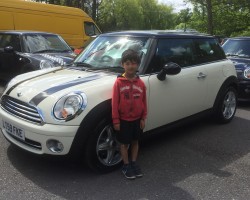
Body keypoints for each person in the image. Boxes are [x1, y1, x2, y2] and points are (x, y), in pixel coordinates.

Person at [112, 49, 147, 180]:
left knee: (135, 142)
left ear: (137, 65)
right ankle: (126, 165)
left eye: (133, 63)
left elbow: (144, 102)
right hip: (124, 120)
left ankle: (133, 162)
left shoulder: (141, 83)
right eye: (127, 63)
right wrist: (116, 120)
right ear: (122, 64)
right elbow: (115, 103)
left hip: (137, 119)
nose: (130, 66)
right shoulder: (118, 83)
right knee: (123, 144)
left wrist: (143, 117)